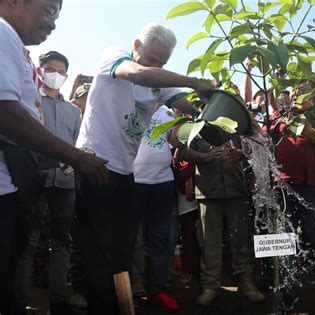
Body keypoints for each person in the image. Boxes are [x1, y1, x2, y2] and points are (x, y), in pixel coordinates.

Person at [74, 23, 213, 315]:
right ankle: (100, 306)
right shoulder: (115, 57)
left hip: (127, 174)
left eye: (162, 63)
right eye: (151, 59)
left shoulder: (161, 81)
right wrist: (193, 80)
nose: (156, 66)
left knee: (122, 251)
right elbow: (138, 74)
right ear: (136, 46)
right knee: (97, 249)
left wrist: (211, 104)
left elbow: (187, 106)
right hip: (95, 164)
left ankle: (120, 303)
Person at [0, 1, 108, 314]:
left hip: (22, 182)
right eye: (48, 11)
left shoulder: (14, 44)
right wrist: (75, 156)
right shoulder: (4, 33)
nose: (53, 23)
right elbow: (5, 114)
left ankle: (54, 298)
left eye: (57, 15)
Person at [267, 82, 315, 310]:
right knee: (283, 240)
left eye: (307, 93)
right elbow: (265, 141)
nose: (301, 96)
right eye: (298, 92)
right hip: (282, 185)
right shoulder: (278, 116)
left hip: (314, 186)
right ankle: (286, 290)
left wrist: (302, 128)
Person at [178, 128, 264, 307]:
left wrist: (242, 154)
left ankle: (245, 282)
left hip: (236, 189)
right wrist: (204, 157)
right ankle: (210, 286)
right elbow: (183, 152)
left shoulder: (236, 125)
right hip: (208, 191)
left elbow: (257, 147)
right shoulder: (197, 125)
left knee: (241, 238)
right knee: (208, 241)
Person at [132, 102, 180, 312]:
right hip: (133, 181)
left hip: (163, 181)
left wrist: (179, 122)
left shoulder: (167, 112)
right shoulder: (129, 106)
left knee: (160, 239)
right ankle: (134, 284)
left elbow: (175, 141)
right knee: (133, 238)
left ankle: (158, 289)